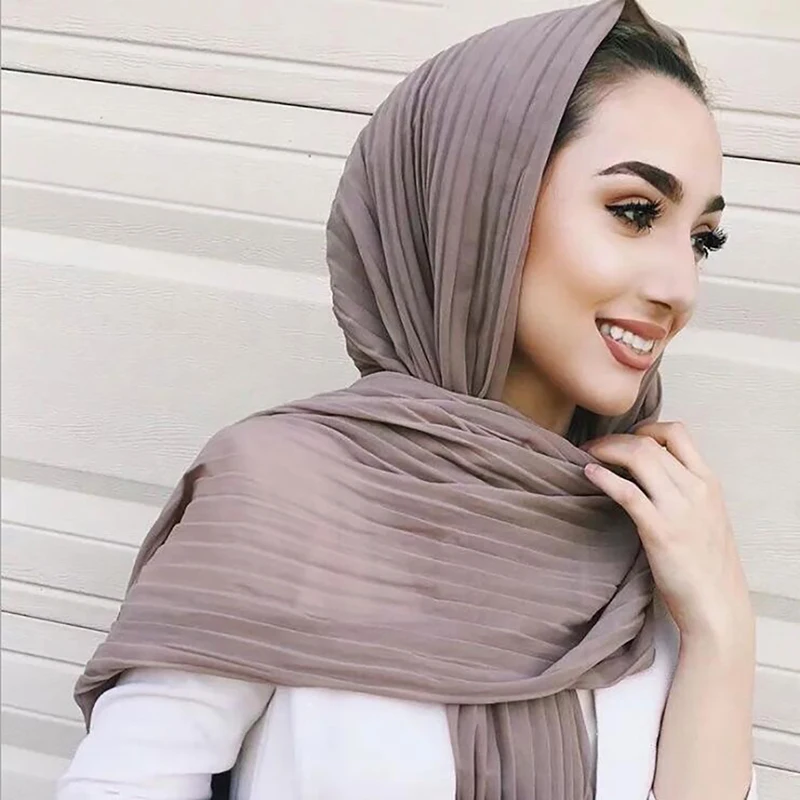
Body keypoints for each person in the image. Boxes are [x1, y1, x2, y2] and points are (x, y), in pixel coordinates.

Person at [57, 0, 758, 798]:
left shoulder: (655, 528)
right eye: (634, 213)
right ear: (479, 204)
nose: (679, 286)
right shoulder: (284, 494)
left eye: (701, 240)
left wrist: (722, 631)